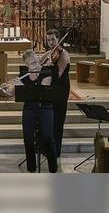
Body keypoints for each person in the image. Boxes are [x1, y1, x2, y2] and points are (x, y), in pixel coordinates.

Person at [15, 50, 58, 173]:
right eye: (30, 64)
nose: (33, 66)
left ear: (37, 59)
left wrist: (22, 86)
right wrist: (10, 89)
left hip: (45, 108)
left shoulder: (46, 72)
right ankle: (31, 169)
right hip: (29, 108)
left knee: (48, 138)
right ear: (26, 65)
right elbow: (15, 93)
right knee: (28, 139)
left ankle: (53, 169)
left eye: (35, 62)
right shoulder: (24, 75)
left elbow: (40, 89)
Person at [44, 29, 70, 158]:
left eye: (53, 39)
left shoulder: (63, 54)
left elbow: (58, 74)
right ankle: (48, 148)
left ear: (59, 39)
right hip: (52, 91)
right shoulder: (50, 53)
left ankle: (56, 151)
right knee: (50, 122)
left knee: (58, 122)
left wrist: (48, 67)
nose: (50, 42)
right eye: (48, 40)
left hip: (60, 91)